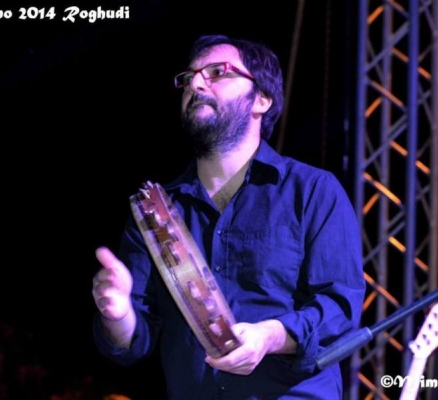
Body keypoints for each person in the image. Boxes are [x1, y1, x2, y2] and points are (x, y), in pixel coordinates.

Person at [91, 33, 366, 399]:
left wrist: (270, 336)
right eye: (189, 78)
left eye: (218, 72)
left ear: (262, 99)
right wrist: (118, 314)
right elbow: (133, 341)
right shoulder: (154, 212)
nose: (196, 84)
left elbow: (340, 308)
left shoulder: (313, 190)